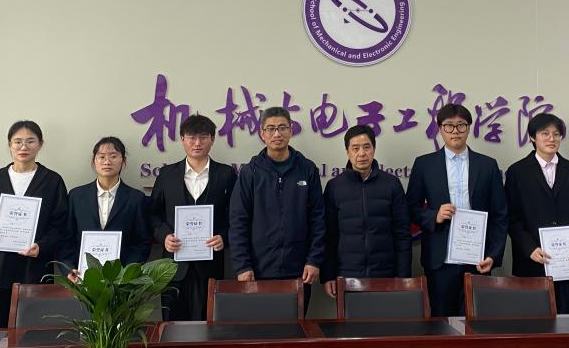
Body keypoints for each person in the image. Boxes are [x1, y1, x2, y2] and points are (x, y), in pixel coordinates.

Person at [0, 120, 69, 328]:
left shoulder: (52, 181)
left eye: (30, 141)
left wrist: (42, 246)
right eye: (17, 142)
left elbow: (61, 224)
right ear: (9, 145)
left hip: (35, 265)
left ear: (40, 144)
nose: (23, 147)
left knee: (33, 323)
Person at [406, 103, 507, 317]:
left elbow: (500, 215)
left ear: (469, 127)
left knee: (477, 322)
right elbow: (410, 208)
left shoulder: (487, 165)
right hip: (441, 260)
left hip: (478, 260)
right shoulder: (425, 165)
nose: (455, 131)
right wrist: (434, 215)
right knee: (441, 322)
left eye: (461, 125)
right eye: (449, 126)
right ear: (439, 129)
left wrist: (493, 255)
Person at [229, 106, 325, 311]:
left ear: (291, 130)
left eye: (282, 128)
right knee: (263, 326)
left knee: (297, 325)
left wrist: (314, 260)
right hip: (259, 270)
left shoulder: (307, 169)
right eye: (271, 129)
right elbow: (238, 222)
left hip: (300, 270)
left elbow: (318, 218)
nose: (277, 134)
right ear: (262, 134)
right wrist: (243, 265)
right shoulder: (250, 172)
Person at [149, 114, 237, 321]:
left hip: (210, 265)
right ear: (182, 139)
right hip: (173, 266)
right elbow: (153, 214)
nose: (197, 143)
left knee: (209, 323)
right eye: (191, 137)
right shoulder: (167, 175)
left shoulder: (226, 175)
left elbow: (235, 215)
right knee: (172, 325)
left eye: (203, 137)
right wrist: (164, 236)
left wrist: (224, 237)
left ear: (212, 139)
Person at [504, 113, 569, 313]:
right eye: (545, 134)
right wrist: (529, 248)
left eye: (556, 134)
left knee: (565, 320)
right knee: (532, 322)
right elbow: (510, 217)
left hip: (567, 263)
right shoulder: (517, 172)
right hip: (531, 262)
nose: (552, 139)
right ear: (532, 138)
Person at [322, 125, 411, 298]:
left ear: (374, 149)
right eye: (355, 148)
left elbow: (402, 234)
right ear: (347, 152)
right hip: (347, 275)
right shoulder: (334, 187)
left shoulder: (391, 184)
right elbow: (329, 236)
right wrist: (328, 276)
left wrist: (403, 276)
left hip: (385, 274)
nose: (361, 153)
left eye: (366, 147)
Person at [60, 136, 151, 278]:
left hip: (122, 281)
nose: (107, 162)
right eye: (101, 157)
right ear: (94, 161)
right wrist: (69, 269)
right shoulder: (76, 196)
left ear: (123, 161)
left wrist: (127, 273)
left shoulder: (136, 198)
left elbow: (142, 242)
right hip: (81, 277)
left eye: (113, 156)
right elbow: (66, 239)